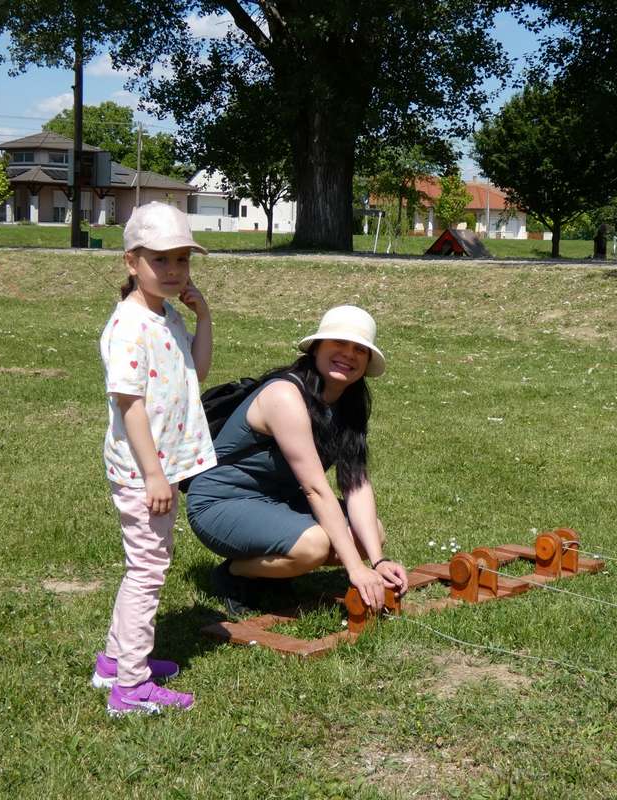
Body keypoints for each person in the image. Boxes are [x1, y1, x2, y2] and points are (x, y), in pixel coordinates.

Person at [187, 305, 409, 616]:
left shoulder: (350, 402)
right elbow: (316, 489)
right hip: (221, 502)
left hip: (278, 501)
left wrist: (377, 560)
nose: (349, 354)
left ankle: (275, 572)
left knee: (372, 532)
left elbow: (356, 483)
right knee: (313, 546)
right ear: (317, 347)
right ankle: (234, 574)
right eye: (339, 343)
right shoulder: (285, 396)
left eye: (360, 349)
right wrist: (355, 569)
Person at [94, 201, 215, 716]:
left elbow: (197, 372)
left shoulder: (166, 316)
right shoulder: (130, 325)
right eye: (159, 259)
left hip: (158, 469)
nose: (172, 270)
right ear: (131, 261)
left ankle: (113, 662)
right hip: (145, 473)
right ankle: (130, 687)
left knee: (145, 565)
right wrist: (153, 475)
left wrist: (203, 316)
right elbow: (130, 405)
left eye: (181, 260)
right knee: (147, 572)